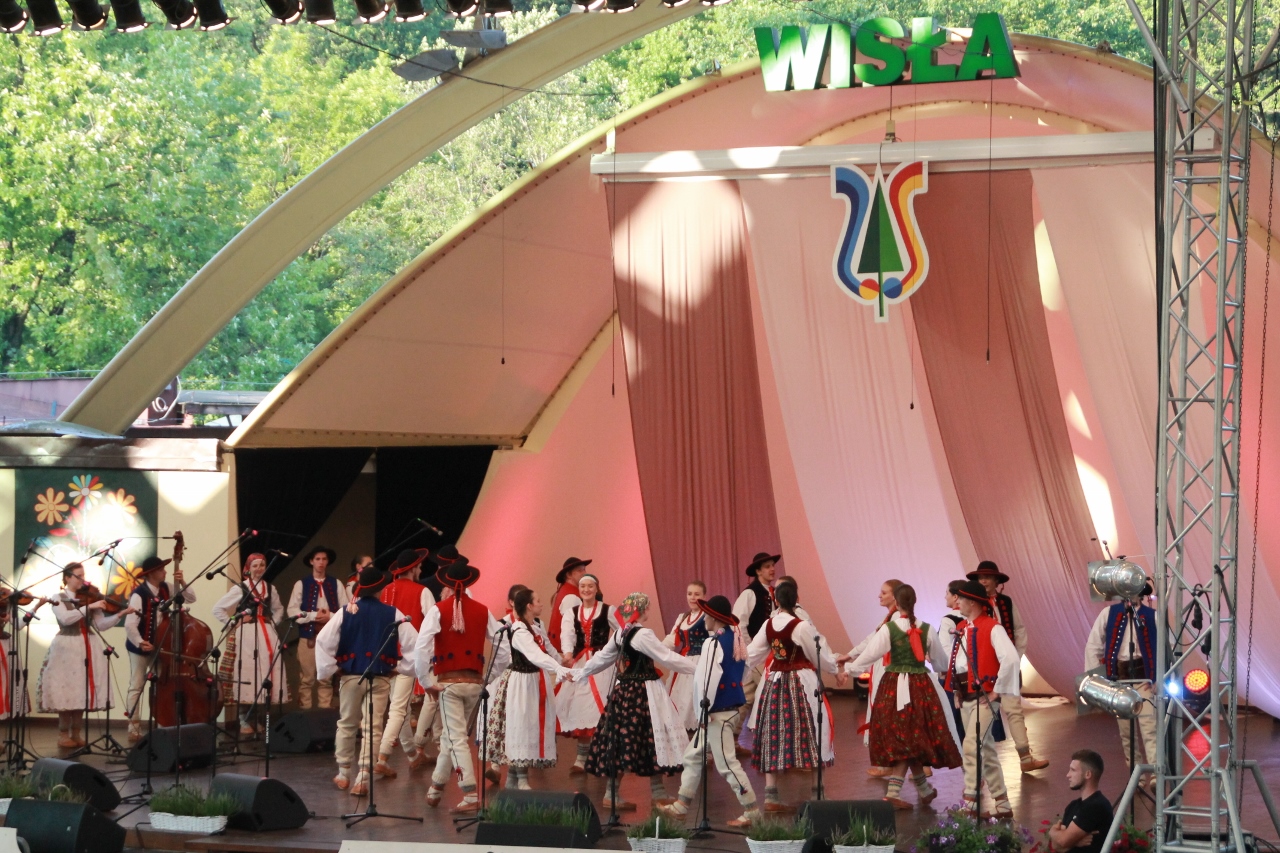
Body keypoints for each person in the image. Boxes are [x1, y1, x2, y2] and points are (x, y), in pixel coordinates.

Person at [570, 592, 695, 812]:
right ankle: (651, 792)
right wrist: (698, 668)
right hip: (645, 691)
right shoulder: (643, 634)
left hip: (625, 690)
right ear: (643, 610)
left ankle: (620, 793)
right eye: (647, 608)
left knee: (626, 740)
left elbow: (603, 658)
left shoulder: (621, 632)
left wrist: (582, 672)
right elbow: (666, 657)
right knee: (651, 737)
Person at [840, 584, 961, 810]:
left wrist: (849, 670)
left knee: (907, 738)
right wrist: (937, 667)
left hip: (893, 687)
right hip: (920, 688)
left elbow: (870, 654)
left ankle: (908, 791)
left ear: (897, 602)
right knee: (911, 736)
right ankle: (914, 790)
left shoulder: (890, 628)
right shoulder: (926, 629)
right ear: (914, 602)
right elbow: (941, 662)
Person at [414, 557, 507, 814]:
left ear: (446, 583)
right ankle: (436, 786)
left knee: (455, 738)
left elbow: (421, 647)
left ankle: (470, 792)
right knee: (451, 737)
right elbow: (503, 649)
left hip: (448, 684)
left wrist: (426, 682)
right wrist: (488, 677)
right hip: (474, 682)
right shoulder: (483, 610)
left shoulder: (438, 610)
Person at [658, 595, 760, 828]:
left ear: (714, 617)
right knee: (692, 756)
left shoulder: (714, 643)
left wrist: (703, 711)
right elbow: (744, 670)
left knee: (726, 763)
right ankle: (682, 805)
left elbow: (706, 680)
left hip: (716, 712)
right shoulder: (735, 639)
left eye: (706, 615)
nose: (704, 619)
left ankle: (752, 809)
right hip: (725, 708)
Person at [316, 567, 418, 795]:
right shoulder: (393, 613)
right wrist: (400, 667)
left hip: (351, 676)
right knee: (373, 727)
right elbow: (415, 643)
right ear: (380, 589)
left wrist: (333, 668)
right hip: (380, 677)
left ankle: (344, 773)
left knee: (347, 723)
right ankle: (363, 776)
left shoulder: (345, 612)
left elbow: (323, 640)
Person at [745, 581, 841, 812]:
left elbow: (752, 655)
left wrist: (737, 674)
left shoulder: (769, 624)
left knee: (772, 732)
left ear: (776, 600)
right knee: (814, 729)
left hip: (775, 682)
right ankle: (817, 792)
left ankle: (771, 795)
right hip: (801, 682)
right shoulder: (801, 626)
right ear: (796, 599)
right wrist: (836, 670)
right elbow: (817, 655)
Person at [943, 580, 1020, 820]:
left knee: (971, 744)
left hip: (985, 697)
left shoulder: (992, 627)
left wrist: (997, 690)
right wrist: (957, 690)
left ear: (973, 602)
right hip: (967, 696)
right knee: (985, 749)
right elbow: (959, 663)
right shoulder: (963, 627)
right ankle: (1002, 803)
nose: (957, 602)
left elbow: (1011, 659)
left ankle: (971, 800)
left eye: (961, 599)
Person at [37, 562, 136, 749]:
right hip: (67, 647)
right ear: (67, 578)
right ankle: (63, 734)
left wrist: (120, 614)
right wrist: (90, 606)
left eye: (83, 575)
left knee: (81, 690)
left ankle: (76, 733)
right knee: (67, 690)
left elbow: (100, 625)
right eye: (78, 576)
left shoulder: (90, 597)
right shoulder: (58, 597)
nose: (83, 579)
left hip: (88, 644)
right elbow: (66, 619)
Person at [485, 589, 570, 790]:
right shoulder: (519, 631)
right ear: (529, 606)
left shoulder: (535, 627)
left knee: (531, 725)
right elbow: (534, 655)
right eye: (538, 601)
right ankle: (520, 779)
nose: (541, 604)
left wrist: (562, 663)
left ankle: (512, 780)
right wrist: (557, 668)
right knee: (521, 726)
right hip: (521, 683)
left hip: (534, 680)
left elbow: (547, 648)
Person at [968, 560, 1048, 772]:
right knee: (983, 712)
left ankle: (1025, 757)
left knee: (1014, 710)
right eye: (980, 578)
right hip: (985, 667)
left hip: (1007, 664)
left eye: (987, 577)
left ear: (996, 580)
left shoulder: (1006, 602)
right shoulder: (974, 604)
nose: (983, 581)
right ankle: (978, 764)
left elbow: (1019, 629)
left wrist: (1015, 657)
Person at [374, 548, 437, 777]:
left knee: (400, 707)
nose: (420, 570)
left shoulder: (385, 591)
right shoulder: (422, 591)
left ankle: (412, 754)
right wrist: (431, 656)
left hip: (387, 657)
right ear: (413, 569)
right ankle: (383, 756)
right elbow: (433, 625)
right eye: (419, 567)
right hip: (409, 657)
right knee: (399, 709)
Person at [1084, 584, 1157, 775]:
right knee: (1126, 733)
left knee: (1150, 728)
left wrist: (1159, 678)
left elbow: (1167, 647)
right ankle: (1136, 775)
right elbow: (1093, 646)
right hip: (1118, 681)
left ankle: (1156, 773)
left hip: (1144, 680)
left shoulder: (1152, 616)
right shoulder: (1108, 614)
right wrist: (1096, 680)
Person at [212, 553, 288, 735]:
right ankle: (243, 718)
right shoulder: (241, 587)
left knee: (264, 673)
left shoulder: (270, 588)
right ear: (248, 568)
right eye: (255, 566)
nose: (259, 569)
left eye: (262, 565)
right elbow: (218, 609)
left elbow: (279, 609)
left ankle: (257, 718)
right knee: (246, 671)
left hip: (266, 633)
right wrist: (234, 622)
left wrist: (272, 623)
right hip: (246, 634)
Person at [124, 553, 195, 742]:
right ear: (151, 573)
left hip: (161, 646)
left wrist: (183, 582)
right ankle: (133, 727)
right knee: (137, 685)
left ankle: (164, 723)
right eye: (161, 569)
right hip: (139, 646)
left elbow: (191, 598)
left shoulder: (167, 588)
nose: (165, 572)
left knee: (163, 685)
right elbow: (130, 624)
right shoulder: (138, 594)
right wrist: (140, 641)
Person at [556, 572, 618, 773]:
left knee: (603, 708)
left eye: (590, 586)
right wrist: (567, 653)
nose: (586, 590)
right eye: (583, 586)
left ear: (596, 588)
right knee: (581, 707)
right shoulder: (572, 613)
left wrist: (615, 651)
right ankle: (581, 758)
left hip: (602, 664)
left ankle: (605, 756)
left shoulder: (608, 610)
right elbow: (567, 635)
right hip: (581, 664)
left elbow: (622, 631)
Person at [848, 579, 903, 777]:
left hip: (889, 671)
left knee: (888, 715)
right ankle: (899, 763)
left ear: (895, 597)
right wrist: (850, 654)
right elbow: (871, 640)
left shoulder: (896, 619)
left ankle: (890, 763)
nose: (879, 596)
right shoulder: (889, 618)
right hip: (885, 669)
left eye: (884, 592)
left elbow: (874, 646)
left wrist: (851, 665)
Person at [288, 545, 349, 710]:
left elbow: (345, 610)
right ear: (311, 561)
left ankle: (324, 714)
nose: (321, 562)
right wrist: (313, 616)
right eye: (317, 559)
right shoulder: (301, 584)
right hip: (308, 637)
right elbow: (292, 611)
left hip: (329, 637)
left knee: (326, 679)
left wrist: (330, 616)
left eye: (324, 559)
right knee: (306, 679)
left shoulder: (336, 583)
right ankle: (305, 715)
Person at [731, 552, 780, 747]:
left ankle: (731, 741)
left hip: (770, 655)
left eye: (772, 565)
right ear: (758, 571)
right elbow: (738, 623)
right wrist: (751, 648)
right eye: (767, 566)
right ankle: (770, 742)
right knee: (770, 695)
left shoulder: (774, 593)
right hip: (756, 655)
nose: (772, 569)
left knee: (747, 697)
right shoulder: (750, 594)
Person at [664, 581, 709, 732]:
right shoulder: (683, 617)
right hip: (684, 662)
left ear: (704, 596)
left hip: (702, 662)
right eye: (689, 594)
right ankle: (686, 739)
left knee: (696, 698)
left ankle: (702, 738)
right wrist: (654, 649)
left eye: (697, 594)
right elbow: (672, 639)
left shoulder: (708, 616)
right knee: (681, 699)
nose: (692, 598)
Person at [1048, 750, 1114, 853]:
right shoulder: (1072, 806)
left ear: (1087, 774)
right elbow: (1056, 846)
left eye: (1073, 770)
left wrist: (1053, 832)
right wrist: (1075, 842)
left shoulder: (1096, 806)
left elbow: (1063, 841)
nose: (1068, 775)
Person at [548, 557, 590, 652]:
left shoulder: (565, 591)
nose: (585, 573)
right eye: (580, 570)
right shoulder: (571, 597)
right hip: (564, 653)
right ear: (569, 575)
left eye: (584, 569)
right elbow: (571, 630)